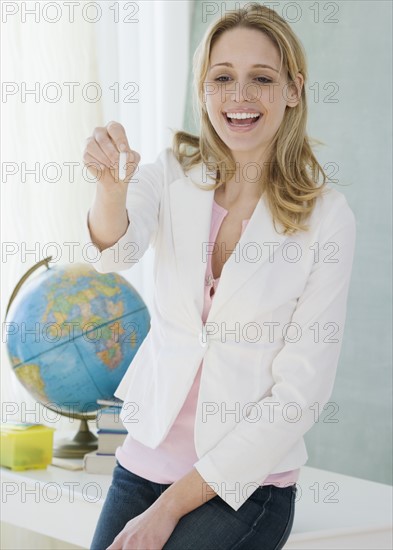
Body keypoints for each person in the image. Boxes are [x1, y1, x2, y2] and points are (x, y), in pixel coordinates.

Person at [83, 4, 356, 549]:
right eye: (222, 78)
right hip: (144, 461)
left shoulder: (327, 218)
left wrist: (168, 510)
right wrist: (109, 191)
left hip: (245, 485)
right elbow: (114, 253)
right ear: (202, 90)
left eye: (262, 78)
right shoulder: (170, 176)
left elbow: (299, 395)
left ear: (294, 90)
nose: (240, 96)